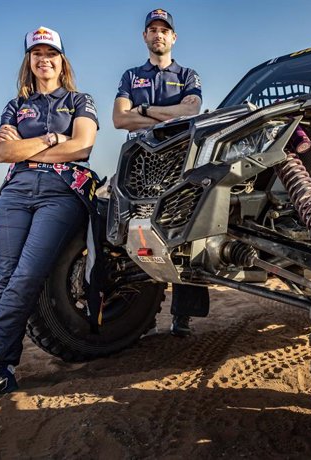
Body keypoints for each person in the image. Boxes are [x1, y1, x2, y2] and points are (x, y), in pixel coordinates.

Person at [0, 26, 100, 404]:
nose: (44, 59)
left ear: (62, 61)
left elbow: (82, 146)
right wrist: (49, 141)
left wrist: (27, 150)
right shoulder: (15, 106)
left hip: (62, 193)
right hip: (15, 192)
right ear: (29, 61)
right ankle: (3, 373)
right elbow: (2, 154)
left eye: (51, 53)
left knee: (27, 275)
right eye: (36, 54)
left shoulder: (80, 100)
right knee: (5, 278)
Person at [113, 8, 208, 337]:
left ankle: (182, 316)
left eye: (164, 30)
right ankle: (133, 316)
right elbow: (119, 119)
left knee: (182, 231)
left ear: (173, 37)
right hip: (137, 163)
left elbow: (192, 110)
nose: (158, 34)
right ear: (144, 37)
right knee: (132, 234)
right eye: (152, 29)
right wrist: (167, 115)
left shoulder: (187, 75)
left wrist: (144, 111)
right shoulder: (130, 76)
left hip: (177, 162)